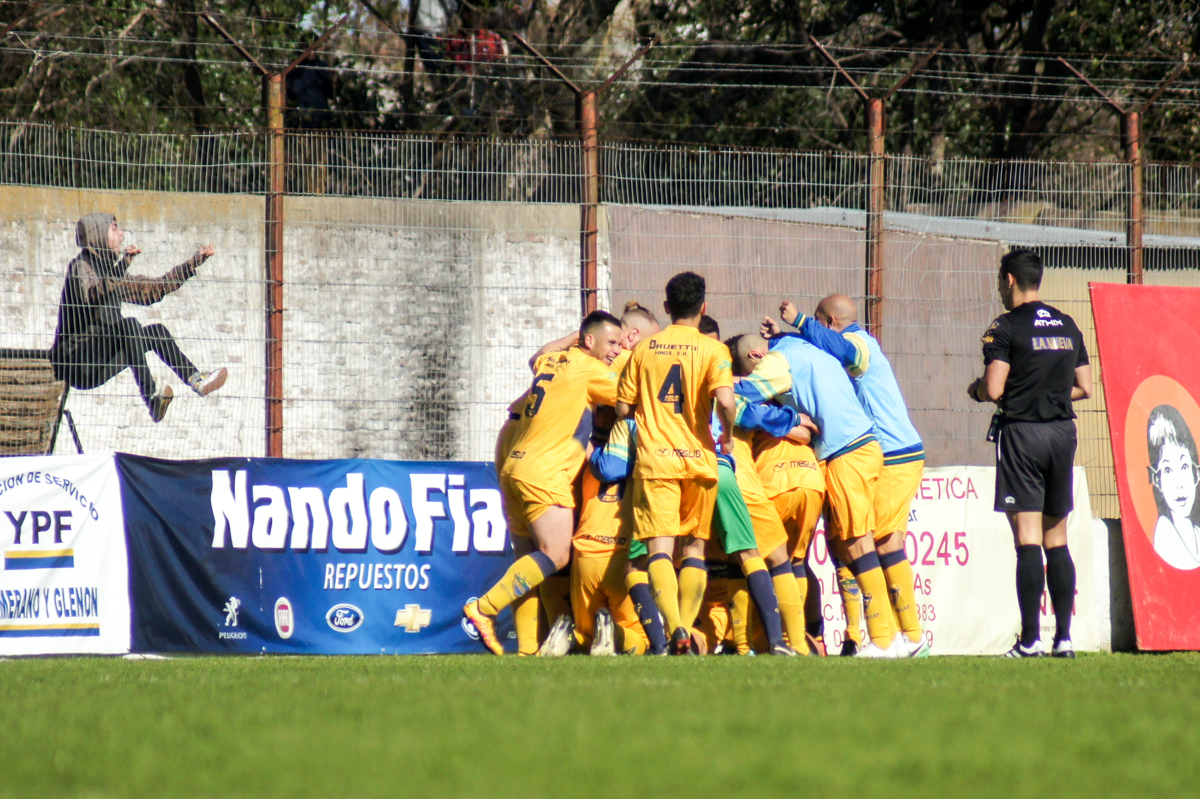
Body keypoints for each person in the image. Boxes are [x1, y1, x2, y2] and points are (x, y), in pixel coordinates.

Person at [771, 294, 929, 657]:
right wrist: (784, 337)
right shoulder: (845, 344)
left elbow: (842, 352)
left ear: (827, 323)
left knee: (878, 543)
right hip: (886, 453)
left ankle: (896, 639)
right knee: (863, 543)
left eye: (816, 323)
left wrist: (799, 323)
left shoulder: (859, 343)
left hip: (892, 454)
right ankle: (898, 638)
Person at [731, 332, 905, 657]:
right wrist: (794, 422)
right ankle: (820, 639)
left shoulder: (765, 380)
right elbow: (806, 425)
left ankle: (881, 639)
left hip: (778, 481)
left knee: (764, 561)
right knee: (807, 559)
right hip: (813, 477)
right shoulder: (803, 376)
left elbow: (737, 405)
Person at [465, 310, 625, 654]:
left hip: (514, 464)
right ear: (589, 341)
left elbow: (536, 356)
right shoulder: (589, 369)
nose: (616, 349)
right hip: (545, 470)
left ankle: (525, 650)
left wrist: (580, 337)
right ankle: (483, 608)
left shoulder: (553, 361)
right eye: (611, 342)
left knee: (529, 560)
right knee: (555, 554)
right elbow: (628, 399)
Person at [968, 248, 1092, 658]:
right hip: (1062, 433)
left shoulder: (1003, 327)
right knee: (1057, 540)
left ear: (1008, 280)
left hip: (1022, 434)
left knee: (1027, 539)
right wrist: (1048, 392)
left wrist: (978, 389)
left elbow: (995, 388)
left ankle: (1031, 639)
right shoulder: (1067, 324)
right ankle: (1064, 640)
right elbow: (1084, 387)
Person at [615, 272, 737, 655]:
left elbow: (622, 408)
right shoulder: (713, 351)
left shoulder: (644, 350)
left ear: (666, 308)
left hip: (656, 463)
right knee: (696, 551)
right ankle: (685, 626)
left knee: (659, 552)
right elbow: (727, 402)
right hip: (700, 462)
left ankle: (676, 630)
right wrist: (729, 436)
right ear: (704, 307)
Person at [49, 213, 226, 423]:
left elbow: (151, 290)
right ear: (98, 234)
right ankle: (151, 397)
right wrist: (123, 265)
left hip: (98, 364)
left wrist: (193, 263)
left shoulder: (111, 272)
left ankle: (197, 380)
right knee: (129, 325)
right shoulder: (80, 266)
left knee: (156, 333)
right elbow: (93, 294)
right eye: (115, 229)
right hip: (78, 362)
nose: (122, 234)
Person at [1147, 405, 1200, 570]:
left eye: (1184, 466)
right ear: (1157, 479)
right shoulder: (1165, 540)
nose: (1179, 484)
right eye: (1168, 470)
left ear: (1195, 473)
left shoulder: (1197, 532)